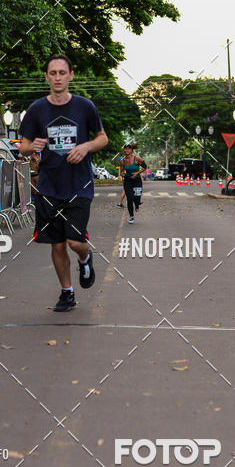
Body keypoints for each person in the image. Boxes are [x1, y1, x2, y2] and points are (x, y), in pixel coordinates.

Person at [18, 55, 108, 312]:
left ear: (71, 75)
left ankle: (85, 256)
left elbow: (102, 138)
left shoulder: (84, 107)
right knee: (57, 244)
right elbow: (23, 146)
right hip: (48, 187)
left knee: (74, 241)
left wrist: (86, 146)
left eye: (62, 72)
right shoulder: (36, 109)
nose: (57, 77)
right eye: (53, 73)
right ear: (46, 76)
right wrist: (30, 147)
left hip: (79, 185)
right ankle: (67, 293)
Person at [118, 144, 148, 222]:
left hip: (137, 180)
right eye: (125, 149)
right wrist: (122, 174)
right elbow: (121, 171)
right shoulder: (122, 161)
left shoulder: (137, 158)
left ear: (131, 150)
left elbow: (145, 167)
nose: (126, 150)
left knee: (136, 199)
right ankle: (131, 216)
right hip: (127, 181)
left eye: (128, 149)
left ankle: (137, 204)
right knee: (129, 198)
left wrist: (137, 173)